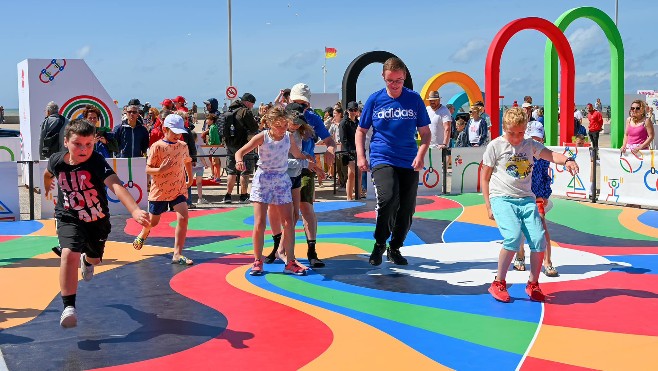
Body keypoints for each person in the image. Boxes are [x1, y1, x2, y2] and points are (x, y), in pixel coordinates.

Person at [43, 119, 149, 328]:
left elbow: (116, 185)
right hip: (69, 216)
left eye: (88, 144)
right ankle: (69, 307)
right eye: (78, 144)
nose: (83, 149)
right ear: (66, 142)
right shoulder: (57, 161)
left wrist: (135, 210)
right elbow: (48, 173)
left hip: (97, 220)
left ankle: (88, 261)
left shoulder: (96, 161)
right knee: (68, 253)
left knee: (95, 259)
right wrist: (48, 185)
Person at [482, 107, 579, 303]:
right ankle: (498, 282)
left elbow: (551, 155)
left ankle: (533, 284)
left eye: (520, 133)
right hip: (502, 197)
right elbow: (484, 177)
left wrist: (567, 160)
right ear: (504, 127)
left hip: (526, 198)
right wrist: (488, 205)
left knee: (539, 240)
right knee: (513, 236)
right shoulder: (495, 146)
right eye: (512, 133)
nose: (517, 138)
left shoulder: (530, 145)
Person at [355, 57, 431, 266]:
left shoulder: (414, 99)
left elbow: (425, 133)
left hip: (408, 159)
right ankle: (379, 243)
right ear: (383, 77)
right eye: (390, 80)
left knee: (407, 207)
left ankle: (395, 247)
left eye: (398, 80)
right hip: (382, 156)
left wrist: (421, 154)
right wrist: (362, 156)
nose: (395, 85)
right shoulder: (375, 99)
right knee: (388, 199)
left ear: (404, 76)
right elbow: (361, 131)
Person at [235, 106, 317, 276]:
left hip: (281, 179)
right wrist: (238, 161)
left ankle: (291, 261)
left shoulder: (288, 138)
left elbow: (297, 154)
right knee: (260, 223)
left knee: (289, 220)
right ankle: (257, 260)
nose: (282, 129)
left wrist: (311, 163)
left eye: (284, 125)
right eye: (278, 126)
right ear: (270, 124)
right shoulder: (262, 137)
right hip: (263, 179)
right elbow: (240, 152)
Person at [283, 84, 337, 267]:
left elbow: (330, 140)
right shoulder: (282, 115)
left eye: (303, 104)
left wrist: (330, 150)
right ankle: (280, 248)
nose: (300, 106)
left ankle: (311, 250)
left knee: (306, 208)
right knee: (284, 213)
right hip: (283, 169)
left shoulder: (313, 118)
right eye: (296, 102)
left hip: (307, 167)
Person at [132, 114, 194, 265]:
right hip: (159, 191)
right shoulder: (157, 147)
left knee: (183, 217)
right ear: (165, 129)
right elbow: (147, 169)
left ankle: (177, 254)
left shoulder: (182, 146)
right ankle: (144, 232)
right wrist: (160, 169)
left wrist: (190, 178)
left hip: (178, 189)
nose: (177, 135)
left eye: (179, 132)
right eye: (174, 132)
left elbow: (187, 161)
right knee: (153, 222)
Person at [512, 121, 559, 277]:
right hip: (521, 194)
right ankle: (520, 254)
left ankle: (548, 262)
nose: (537, 142)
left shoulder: (544, 155)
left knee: (542, 228)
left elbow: (545, 177)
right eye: (533, 138)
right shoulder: (519, 153)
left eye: (539, 139)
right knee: (519, 228)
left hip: (537, 196)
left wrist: (545, 195)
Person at [223, 93, 260, 203]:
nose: (252, 106)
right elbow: (254, 128)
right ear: (248, 102)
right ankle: (243, 196)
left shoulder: (229, 110)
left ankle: (228, 196)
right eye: (252, 104)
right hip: (244, 146)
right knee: (245, 171)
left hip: (229, 145)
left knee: (231, 171)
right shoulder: (245, 112)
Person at [201, 113, 223, 183]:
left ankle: (217, 177)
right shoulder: (214, 126)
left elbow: (212, 139)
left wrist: (209, 144)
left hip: (214, 146)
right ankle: (216, 176)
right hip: (216, 146)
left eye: (208, 119)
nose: (206, 120)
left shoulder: (212, 128)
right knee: (215, 163)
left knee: (215, 163)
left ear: (212, 120)